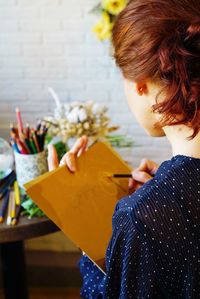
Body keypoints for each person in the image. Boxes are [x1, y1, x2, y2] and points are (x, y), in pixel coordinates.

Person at [48, 0, 200, 297]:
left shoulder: (141, 218)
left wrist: (89, 231)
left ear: (140, 83)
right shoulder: (149, 212)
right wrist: (159, 197)